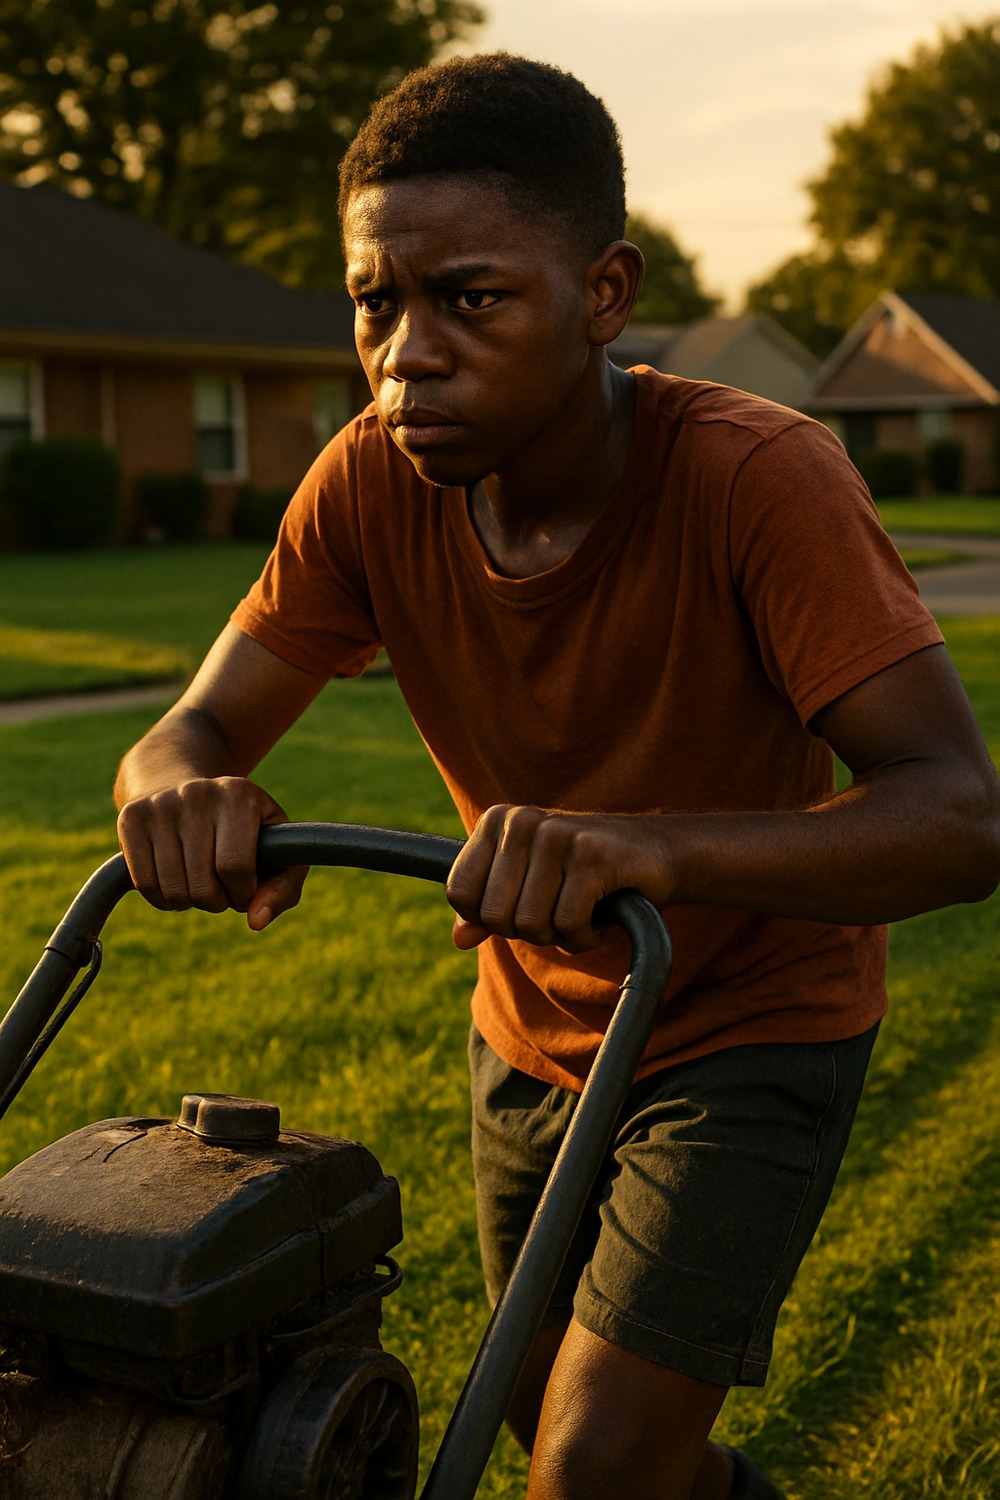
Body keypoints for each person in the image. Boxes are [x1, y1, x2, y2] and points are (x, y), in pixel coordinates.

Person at [114, 53, 1000, 1500]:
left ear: (604, 295)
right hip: (528, 1034)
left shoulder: (758, 478)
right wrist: (179, 791)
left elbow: (960, 818)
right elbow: (188, 734)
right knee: (558, 1445)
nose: (408, 352)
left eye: (470, 299)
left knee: (589, 1474)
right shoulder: (367, 484)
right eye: (373, 304)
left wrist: (651, 847)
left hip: (745, 1025)